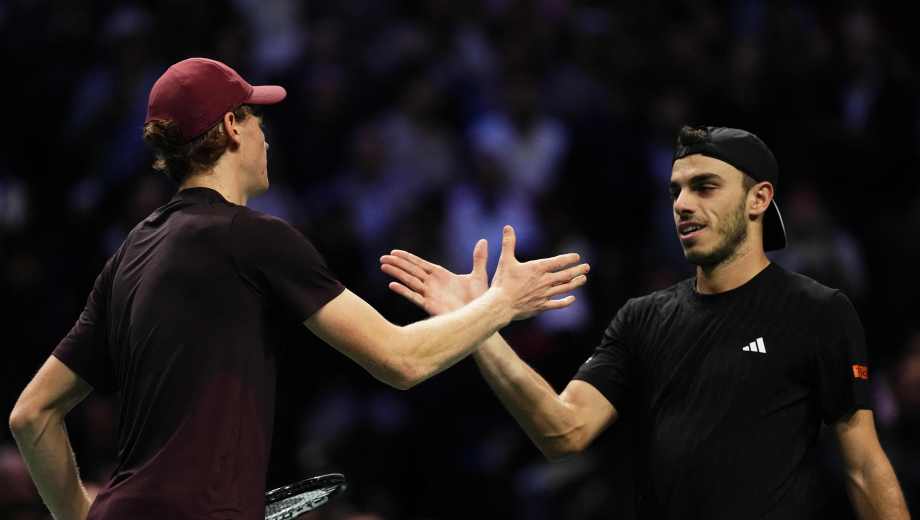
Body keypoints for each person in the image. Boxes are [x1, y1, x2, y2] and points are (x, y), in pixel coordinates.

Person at [7, 58, 589, 520]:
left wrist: (81, 516)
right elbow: (401, 361)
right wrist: (501, 304)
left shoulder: (130, 253)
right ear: (232, 127)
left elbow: (32, 415)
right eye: (258, 119)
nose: (268, 136)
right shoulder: (255, 238)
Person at [381, 125, 911, 519]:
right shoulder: (642, 318)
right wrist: (478, 327)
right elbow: (563, 431)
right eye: (676, 190)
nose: (681, 204)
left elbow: (863, 467)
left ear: (759, 199)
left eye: (704, 187)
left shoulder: (817, 311)